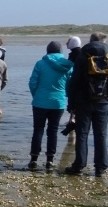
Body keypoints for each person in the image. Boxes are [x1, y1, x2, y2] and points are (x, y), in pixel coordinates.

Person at [65, 33, 108, 177]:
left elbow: (74, 82)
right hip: (103, 102)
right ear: (104, 42)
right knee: (101, 134)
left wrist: (71, 104)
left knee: (82, 134)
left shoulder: (82, 57)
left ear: (90, 41)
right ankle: (100, 167)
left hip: (83, 102)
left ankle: (79, 165)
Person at [27, 41, 73, 170]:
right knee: (52, 131)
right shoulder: (68, 65)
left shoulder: (40, 63)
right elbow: (70, 84)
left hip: (40, 101)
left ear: (47, 51)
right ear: (61, 52)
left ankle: (34, 158)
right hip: (58, 102)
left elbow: (32, 82)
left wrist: (36, 95)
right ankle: (50, 160)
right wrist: (65, 96)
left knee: (38, 129)